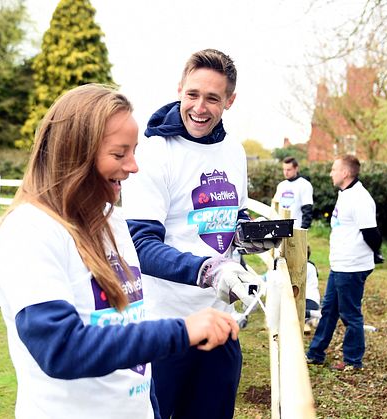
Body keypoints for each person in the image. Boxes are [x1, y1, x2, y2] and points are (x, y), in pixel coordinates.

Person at [0, 84, 240, 418]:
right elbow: (60, 348)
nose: (134, 167)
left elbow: (130, 328)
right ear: (75, 154)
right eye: (120, 154)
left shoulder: (114, 223)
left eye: (134, 152)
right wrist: (182, 331)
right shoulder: (28, 231)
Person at [121, 49, 266, 419]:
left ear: (230, 101)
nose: (200, 107)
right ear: (180, 88)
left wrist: (250, 234)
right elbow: (141, 245)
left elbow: (232, 214)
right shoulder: (154, 153)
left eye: (213, 98)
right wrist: (208, 271)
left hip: (220, 324)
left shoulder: (233, 150)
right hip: (165, 328)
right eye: (192, 95)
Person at [306, 154, 381, 371]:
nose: (331, 173)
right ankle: (316, 354)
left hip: (352, 267)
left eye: (334, 169)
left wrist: (375, 253)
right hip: (340, 265)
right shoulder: (345, 194)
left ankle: (353, 361)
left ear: (345, 173)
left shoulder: (360, 198)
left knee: (350, 315)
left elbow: (371, 233)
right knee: (329, 310)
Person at [273, 156, 314, 229]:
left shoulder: (304, 185)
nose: (286, 172)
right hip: (280, 228)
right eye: (284, 169)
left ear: (296, 168)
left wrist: (303, 229)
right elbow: (275, 207)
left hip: (296, 229)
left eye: (289, 170)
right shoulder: (281, 185)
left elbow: (307, 210)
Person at [305, 246, 320, 329]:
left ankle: (314, 315)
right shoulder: (312, 265)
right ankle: (310, 319)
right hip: (313, 300)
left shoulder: (305, 267)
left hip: (309, 300)